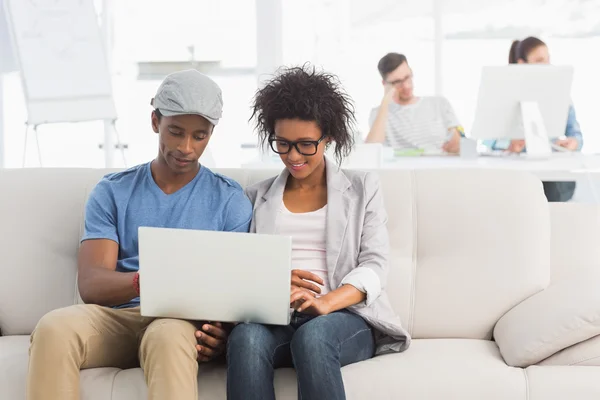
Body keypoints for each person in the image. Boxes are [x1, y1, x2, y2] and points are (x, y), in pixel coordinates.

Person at [26, 69, 253, 400]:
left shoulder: (230, 200)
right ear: (154, 122)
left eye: (199, 136)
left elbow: (236, 292)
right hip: (118, 318)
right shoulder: (113, 192)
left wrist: (223, 331)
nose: (186, 148)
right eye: (175, 132)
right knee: (53, 328)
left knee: (169, 336)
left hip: (179, 323)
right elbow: (91, 284)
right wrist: (146, 281)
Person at [226, 65, 410, 400]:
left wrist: (326, 302)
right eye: (282, 143)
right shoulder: (255, 197)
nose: (293, 156)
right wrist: (273, 285)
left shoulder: (362, 187)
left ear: (330, 138)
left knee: (313, 337)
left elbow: (375, 265)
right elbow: (241, 269)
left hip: (344, 318)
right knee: (245, 338)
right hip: (277, 317)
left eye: (306, 144)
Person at [487, 36, 584, 202]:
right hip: (517, 173)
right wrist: (510, 146)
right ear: (522, 64)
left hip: (551, 174)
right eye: (539, 60)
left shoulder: (560, 94)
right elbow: (488, 142)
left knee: (551, 190)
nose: (546, 65)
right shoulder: (504, 94)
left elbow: (576, 135)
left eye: (548, 59)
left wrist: (573, 143)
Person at [365, 52, 463, 153]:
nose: (406, 86)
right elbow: (370, 151)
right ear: (385, 84)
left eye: (407, 77)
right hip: (403, 168)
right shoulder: (379, 113)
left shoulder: (439, 104)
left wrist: (458, 144)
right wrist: (385, 101)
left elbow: (461, 140)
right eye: (397, 82)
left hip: (442, 166)